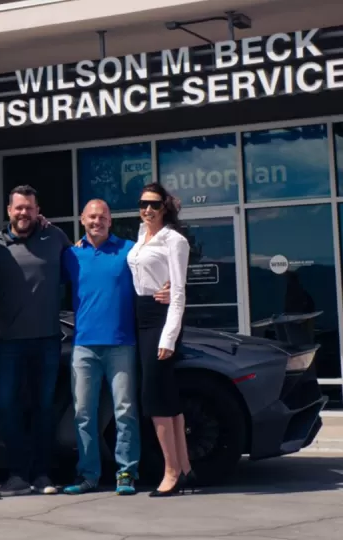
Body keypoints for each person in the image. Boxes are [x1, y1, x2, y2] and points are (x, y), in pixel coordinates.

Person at [61, 199, 170, 497]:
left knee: (126, 411)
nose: (97, 221)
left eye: (103, 217)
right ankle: (88, 475)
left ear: (111, 220)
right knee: (84, 413)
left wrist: (171, 286)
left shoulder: (128, 251)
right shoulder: (71, 254)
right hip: (83, 346)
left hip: (122, 344)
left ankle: (126, 473)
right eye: (91, 217)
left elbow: (158, 269)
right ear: (82, 219)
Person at [0, 185, 71, 497]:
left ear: (38, 211)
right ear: (9, 211)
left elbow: (83, 271)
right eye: (18, 208)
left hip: (47, 341)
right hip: (9, 343)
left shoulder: (55, 238)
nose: (24, 213)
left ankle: (42, 474)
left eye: (29, 208)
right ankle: (17, 475)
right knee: (8, 408)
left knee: (43, 408)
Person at [126, 182, 193, 497]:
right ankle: (185, 467)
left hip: (160, 321)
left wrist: (169, 336)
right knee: (168, 397)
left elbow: (178, 292)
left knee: (154, 399)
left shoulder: (174, 240)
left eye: (153, 204)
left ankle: (171, 471)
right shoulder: (142, 236)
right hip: (141, 317)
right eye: (143, 204)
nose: (147, 210)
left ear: (164, 207)